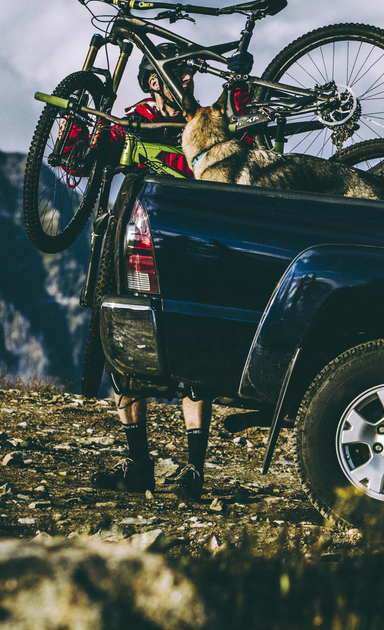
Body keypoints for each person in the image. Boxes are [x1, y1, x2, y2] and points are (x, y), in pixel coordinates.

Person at [90, 42, 247, 500]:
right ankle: (137, 465)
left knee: (193, 353)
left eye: (190, 73)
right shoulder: (133, 117)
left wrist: (241, 80)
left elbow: (243, 123)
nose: (187, 79)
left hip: (189, 243)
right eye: (177, 73)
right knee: (125, 350)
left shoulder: (206, 119)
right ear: (155, 81)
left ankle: (192, 473)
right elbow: (95, 150)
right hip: (134, 238)